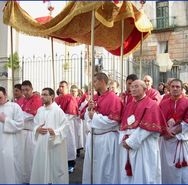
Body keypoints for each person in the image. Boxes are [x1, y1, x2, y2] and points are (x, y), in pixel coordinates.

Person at [119, 80, 167, 184]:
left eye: (137, 86)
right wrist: (123, 139)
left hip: (144, 146)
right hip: (129, 146)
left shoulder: (151, 104)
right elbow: (124, 126)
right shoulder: (129, 105)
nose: (133, 89)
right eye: (132, 87)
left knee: (145, 176)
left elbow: (147, 129)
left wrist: (130, 142)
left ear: (145, 89)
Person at [82, 72, 123, 184]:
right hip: (93, 138)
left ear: (102, 82)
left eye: (95, 81)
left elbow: (114, 121)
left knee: (105, 170)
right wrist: (89, 111)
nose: (93, 83)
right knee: (92, 169)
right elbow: (86, 115)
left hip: (106, 139)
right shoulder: (94, 97)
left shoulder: (114, 98)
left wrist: (94, 116)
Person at [30, 88, 69, 184]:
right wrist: (37, 129)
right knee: (41, 167)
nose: (42, 97)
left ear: (52, 96)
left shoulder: (58, 111)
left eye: (45, 94)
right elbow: (35, 125)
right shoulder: (40, 110)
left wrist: (55, 132)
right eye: (42, 94)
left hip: (54, 145)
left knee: (55, 169)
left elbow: (66, 126)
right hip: (41, 144)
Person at [159, 79, 188, 184]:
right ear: (169, 88)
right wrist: (165, 131)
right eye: (173, 86)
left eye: (177, 87)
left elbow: (187, 123)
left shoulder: (187, 102)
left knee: (182, 173)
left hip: (180, 141)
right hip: (165, 142)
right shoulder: (163, 103)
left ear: (181, 89)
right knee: (165, 170)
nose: (175, 89)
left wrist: (172, 132)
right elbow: (158, 120)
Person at [0, 86, 24, 183]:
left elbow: (20, 125)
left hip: (10, 144)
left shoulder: (14, 107)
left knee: (10, 169)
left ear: (6, 95)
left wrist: (5, 120)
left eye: (0, 97)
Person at [20, 80, 42, 183]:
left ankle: (32, 179)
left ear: (31, 89)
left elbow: (31, 115)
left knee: (30, 158)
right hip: (23, 132)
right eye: (23, 90)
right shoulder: (23, 100)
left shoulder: (36, 99)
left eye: (27, 90)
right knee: (24, 159)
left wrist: (18, 117)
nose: (25, 92)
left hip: (31, 132)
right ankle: (25, 178)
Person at [55, 81, 77, 173]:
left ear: (67, 87)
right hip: (57, 126)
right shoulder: (56, 99)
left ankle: (71, 164)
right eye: (59, 86)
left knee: (69, 144)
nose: (60, 88)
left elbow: (71, 114)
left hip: (67, 125)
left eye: (62, 86)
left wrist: (60, 119)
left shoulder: (70, 98)